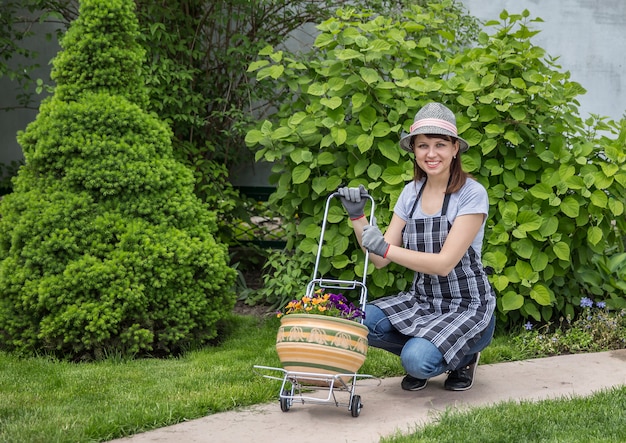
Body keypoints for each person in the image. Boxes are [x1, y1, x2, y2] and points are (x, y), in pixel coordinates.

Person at [338, 102, 496, 391]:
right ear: (414, 150)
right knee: (359, 320)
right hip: (423, 300)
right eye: (423, 145)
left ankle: (463, 357)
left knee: (416, 362)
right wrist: (357, 217)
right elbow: (379, 260)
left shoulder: (471, 194)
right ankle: (431, 342)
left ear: (454, 149)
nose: (431, 153)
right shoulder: (411, 193)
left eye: (440, 144)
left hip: (467, 305)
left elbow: (444, 263)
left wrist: (384, 248)